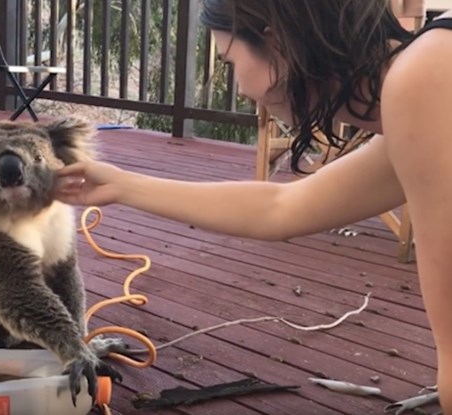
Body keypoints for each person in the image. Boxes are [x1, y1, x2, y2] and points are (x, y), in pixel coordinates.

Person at [55, 0, 452, 410]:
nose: (241, 88)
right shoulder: (427, 82)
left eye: (229, 61)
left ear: (274, 38)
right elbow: (281, 207)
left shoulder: (424, 78)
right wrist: (122, 185)